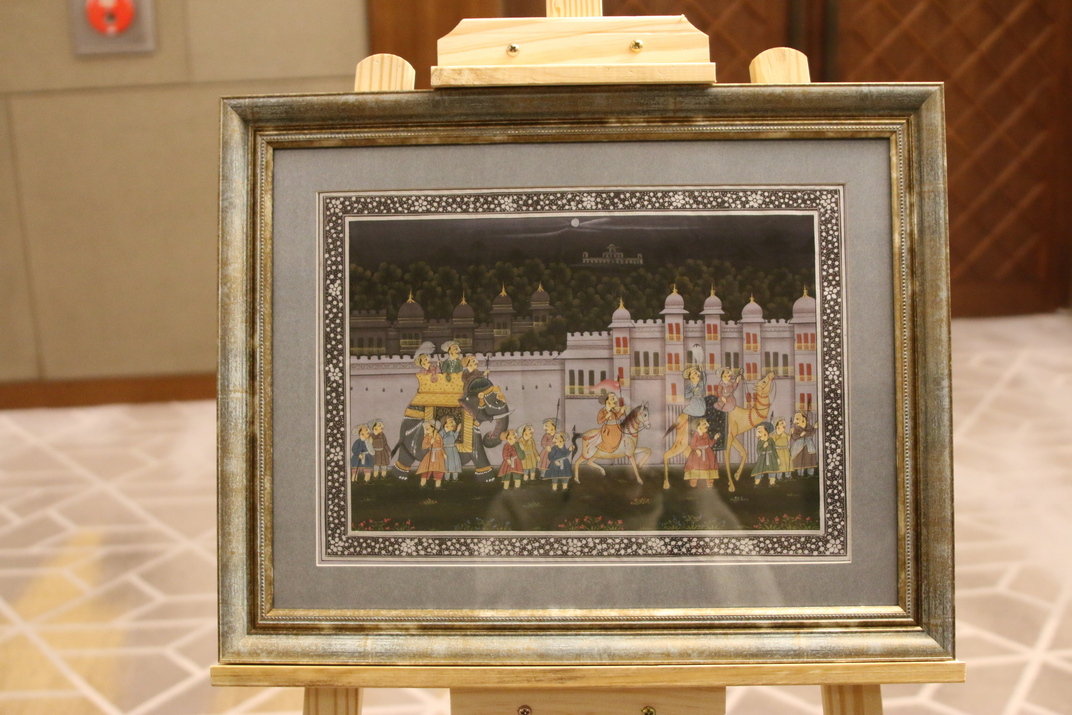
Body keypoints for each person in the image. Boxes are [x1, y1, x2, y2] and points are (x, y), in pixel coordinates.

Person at [683, 418, 719, 487]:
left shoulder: (706, 435)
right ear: (698, 427)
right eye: (704, 424)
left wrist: (715, 438)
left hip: (708, 454)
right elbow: (692, 445)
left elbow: (710, 444)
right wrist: (696, 450)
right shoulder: (696, 435)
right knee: (695, 466)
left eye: (706, 424)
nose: (707, 425)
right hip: (697, 455)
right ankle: (693, 481)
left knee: (709, 467)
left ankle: (709, 482)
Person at [415, 420, 446, 487]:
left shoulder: (438, 436)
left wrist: (444, 453)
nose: (426, 430)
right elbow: (424, 446)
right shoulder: (427, 437)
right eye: (426, 429)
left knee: (439, 470)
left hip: (439, 455)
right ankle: (422, 485)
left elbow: (441, 446)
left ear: (433, 428)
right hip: (430, 454)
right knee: (426, 469)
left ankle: (438, 486)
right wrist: (430, 443)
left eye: (428, 428)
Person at [751, 421, 781, 487]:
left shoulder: (771, 440)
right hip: (762, 458)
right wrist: (764, 446)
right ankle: (756, 483)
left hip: (771, 457)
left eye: (761, 431)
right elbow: (758, 451)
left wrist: (777, 458)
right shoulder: (760, 442)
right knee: (760, 470)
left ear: (766, 432)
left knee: (772, 469)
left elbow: (774, 450)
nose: (759, 433)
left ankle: (772, 483)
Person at [790, 411, 818, 477]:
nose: (795, 421)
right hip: (799, 446)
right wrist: (800, 435)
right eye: (795, 419)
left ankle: (810, 473)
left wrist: (815, 428)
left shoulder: (809, 427)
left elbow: (811, 433)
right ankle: (800, 474)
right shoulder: (796, 428)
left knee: (809, 459)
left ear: (804, 418)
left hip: (808, 445)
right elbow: (794, 437)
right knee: (800, 460)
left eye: (798, 419)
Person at [440, 416, 462, 481]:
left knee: (455, 463)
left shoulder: (451, 432)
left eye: (452, 422)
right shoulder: (442, 432)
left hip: (453, 450)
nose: (452, 424)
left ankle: (455, 478)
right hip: (446, 450)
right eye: (450, 422)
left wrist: (458, 430)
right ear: (445, 424)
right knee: (447, 464)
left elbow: (454, 438)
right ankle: (446, 478)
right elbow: (440, 441)